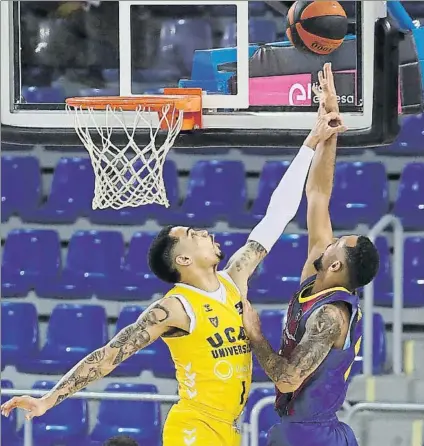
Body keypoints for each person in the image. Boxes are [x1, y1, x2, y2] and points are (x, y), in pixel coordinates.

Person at [1, 89, 346, 446]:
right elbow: (108, 356)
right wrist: (48, 399)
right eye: (193, 234)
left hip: (228, 429)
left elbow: (277, 216)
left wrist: (311, 141)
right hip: (193, 427)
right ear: (183, 260)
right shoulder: (174, 307)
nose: (205, 232)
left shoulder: (234, 279)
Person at [241, 63, 380, 446]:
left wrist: (256, 335)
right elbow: (318, 194)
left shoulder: (331, 316)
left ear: (335, 264)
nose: (327, 240)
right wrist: (328, 125)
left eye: (336, 243)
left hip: (313, 435)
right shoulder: (316, 280)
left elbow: (287, 379)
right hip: (297, 428)